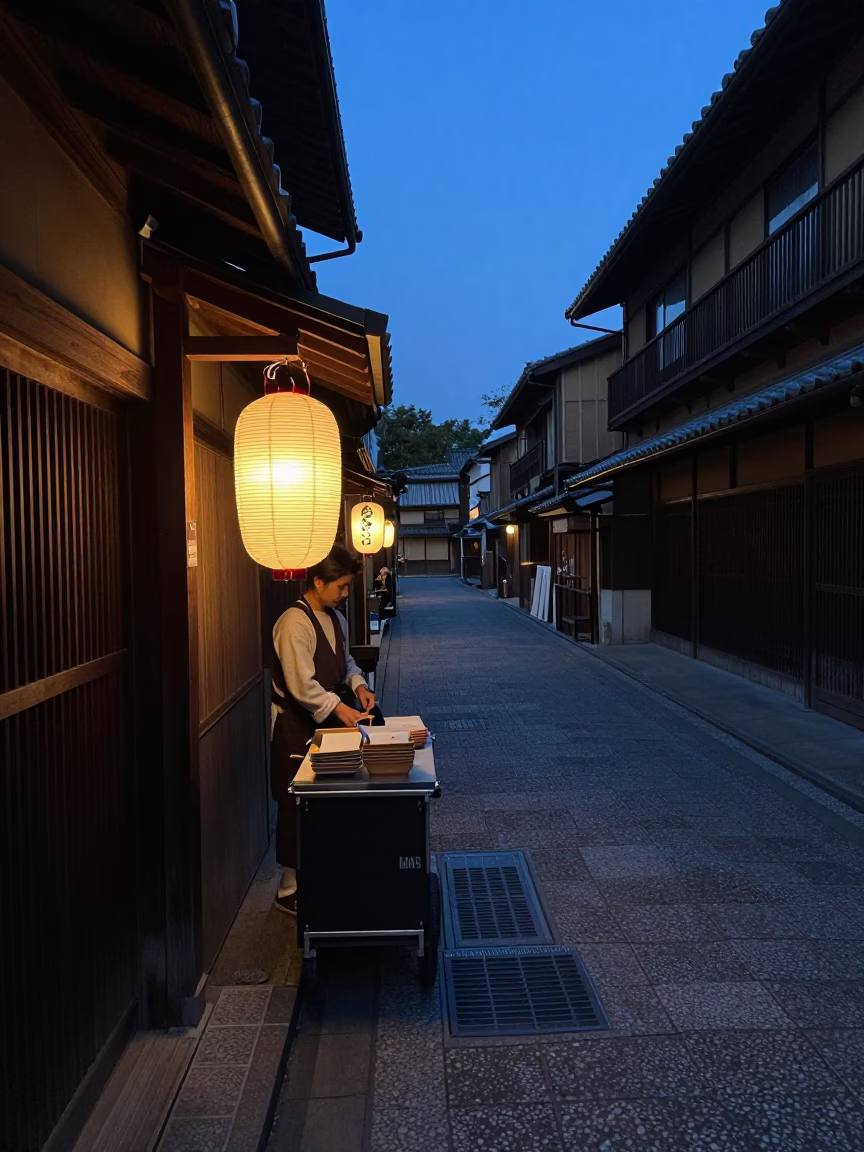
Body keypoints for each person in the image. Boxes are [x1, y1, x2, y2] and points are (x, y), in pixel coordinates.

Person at [270, 545, 379, 915]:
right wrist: (340, 708)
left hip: (326, 720)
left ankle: (321, 874)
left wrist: (360, 685)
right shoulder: (293, 623)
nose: (346, 594)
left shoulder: (336, 619)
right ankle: (288, 889)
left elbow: (346, 662)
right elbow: (301, 685)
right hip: (294, 725)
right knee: (295, 803)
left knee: (328, 799)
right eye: (342, 587)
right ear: (319, 581)